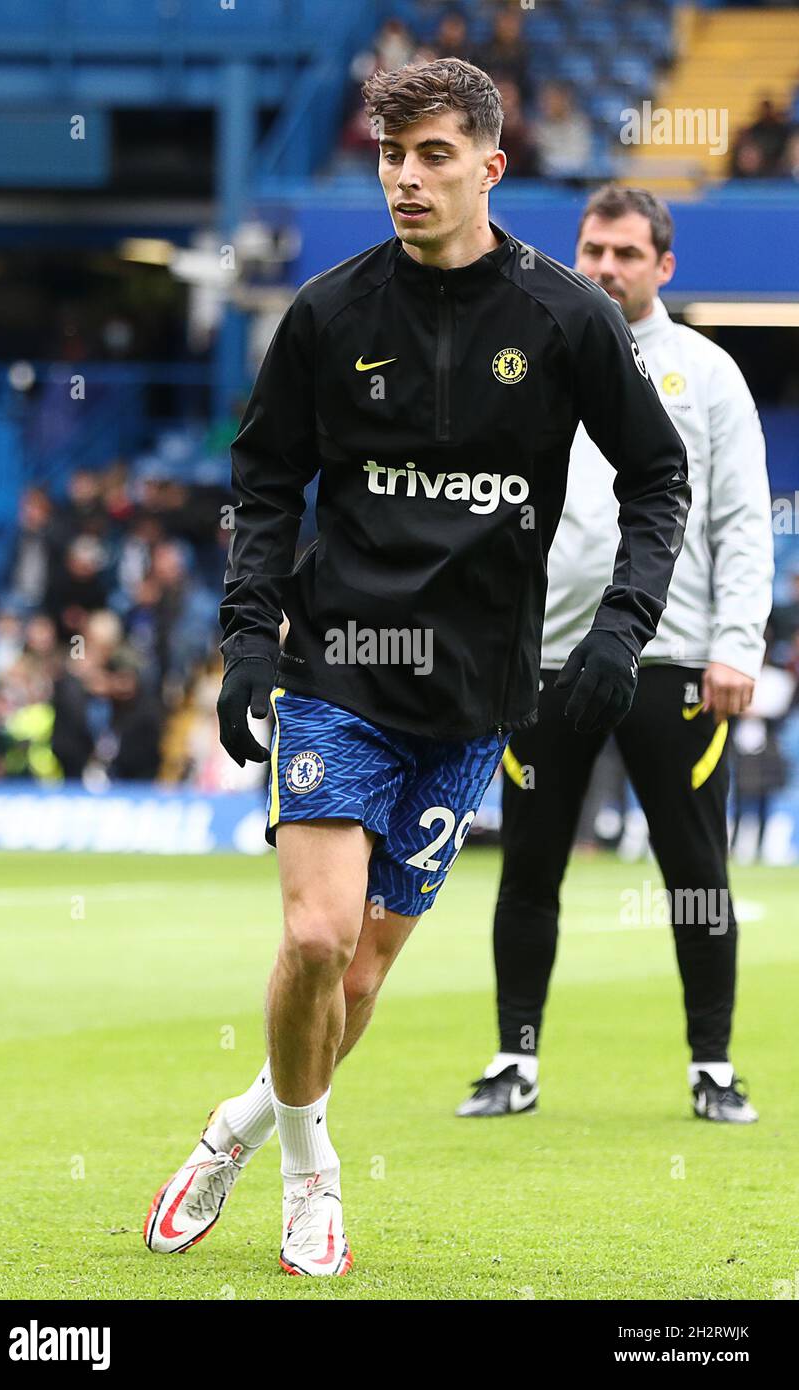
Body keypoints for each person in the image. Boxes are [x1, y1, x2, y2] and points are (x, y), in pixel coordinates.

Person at [144, 62, 689, 1276]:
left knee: (369, 970)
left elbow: (658, 479)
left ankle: (242, 1126)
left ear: (491, 167)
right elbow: (266, 483)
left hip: (474, 699)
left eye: (434, 154)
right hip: (339, 673)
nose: (406, 176)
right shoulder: (329, 315)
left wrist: (618, 632)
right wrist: (247, 640)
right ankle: (310, 1178)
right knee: (320, 936)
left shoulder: (565, 318)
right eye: (391, 153)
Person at [457, 185, 773, 1126]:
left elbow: (742, 521)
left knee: (696, 873)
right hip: (544, 660)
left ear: (664, 267)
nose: (603, 268)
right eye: (593, 249)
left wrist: (737, 643)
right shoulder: (533, 362)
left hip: (673, 657)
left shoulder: (709, 375)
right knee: (530, 867)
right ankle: (513, 1060)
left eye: (626, 254)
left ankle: (711, 1067)